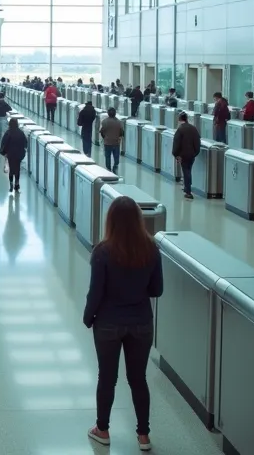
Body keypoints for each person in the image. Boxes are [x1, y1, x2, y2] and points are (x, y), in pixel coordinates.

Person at [83, 196, 162, 451]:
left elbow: (95, 292)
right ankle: (143, 436)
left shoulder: (102, 251)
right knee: (138, 378)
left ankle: (102, 429)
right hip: (141, 322)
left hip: (108, 323)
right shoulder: (151, 249)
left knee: (107, 377)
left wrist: (88, 317)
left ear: (111, 221)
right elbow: (157, 289)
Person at [172, 112, 202, 200]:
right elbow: (197, 141)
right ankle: (186, 187)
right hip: (192, 154)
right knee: (188, 170)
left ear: (179, 119)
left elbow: (176, 143)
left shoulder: (180, 129)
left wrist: (176, 154)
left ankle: (188, 191)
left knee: (186, 171)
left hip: (183, 154)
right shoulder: (193, 128)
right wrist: (195, 152)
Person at [0, 117, 28, 193]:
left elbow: (4, 143)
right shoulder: (20, 132)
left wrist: (4, 152)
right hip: (18, 153)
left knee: (11, 169)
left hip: (10, 154)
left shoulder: (8, 132)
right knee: (17, 168)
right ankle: (17, 184)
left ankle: (11, 183)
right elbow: (25, 143)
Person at [100, 108, 124, 173]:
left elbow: (102, 132)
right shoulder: (119, 122)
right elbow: (122, 132)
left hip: (107, 142)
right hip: (116, 143)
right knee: (116, 158)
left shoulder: (104, 121)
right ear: (115, 113)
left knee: (107, 157)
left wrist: (105, 137)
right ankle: (115, 167)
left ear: (108, 113)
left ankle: (108, 170)